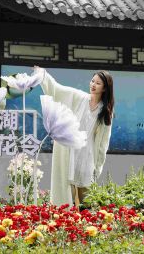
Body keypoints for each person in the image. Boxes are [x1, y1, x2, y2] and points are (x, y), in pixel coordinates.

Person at [33, 66, 114, 206]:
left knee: (87, 201)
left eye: (98, 83)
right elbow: (57, 90)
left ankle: (89, 226)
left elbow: (103, 143)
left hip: (87, 155)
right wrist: (43, 75)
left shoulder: (105, 111)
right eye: (92, 81)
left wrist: (98, 165)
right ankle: (66, 223)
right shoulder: (80, 97)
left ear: (105, 88)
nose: (93, 85)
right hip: (69, 153)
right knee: (66, 196)